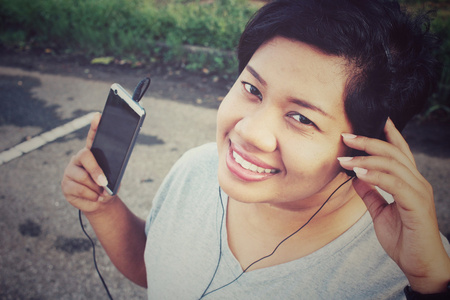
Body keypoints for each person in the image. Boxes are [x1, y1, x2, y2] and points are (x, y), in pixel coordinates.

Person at [61, 0, 450, 298]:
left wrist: (429, 286)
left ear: (367, 148)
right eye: (252, 89)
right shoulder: (196, 167)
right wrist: (102, 207)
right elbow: (156, 267)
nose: (250, 133)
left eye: (301, 118)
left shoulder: (412, 263)